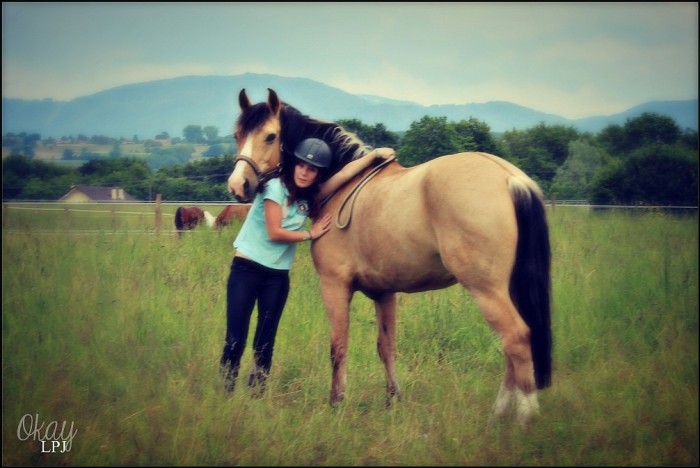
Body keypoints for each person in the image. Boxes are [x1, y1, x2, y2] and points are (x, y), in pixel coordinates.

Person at [220, 138, 396, 395]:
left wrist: (374, 155)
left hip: (277, 276)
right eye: (301, 166)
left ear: (318, 174)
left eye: (312, 169)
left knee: (265, 340)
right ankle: (225, 391)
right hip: (247, 270)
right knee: (236, 337)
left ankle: (256, 394)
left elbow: (344, 175)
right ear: (294, 165)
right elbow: (274, 232)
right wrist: (310, 235)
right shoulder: (275, 188)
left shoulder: (310, 198)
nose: (304, 173)